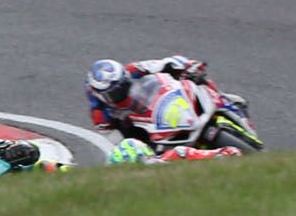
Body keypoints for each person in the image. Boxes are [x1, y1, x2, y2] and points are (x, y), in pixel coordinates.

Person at [84, 56, 243, 158]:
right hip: (143, 129)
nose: (121, 91)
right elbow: (118, 144)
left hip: (158, 104)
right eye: (114, 92)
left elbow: (167, 63)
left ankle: (226, 101)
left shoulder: (133, 70)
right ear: (100, 95)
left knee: (200, 82)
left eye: (123, 84)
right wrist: (141, 149)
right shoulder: (100, 115)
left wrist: (188, 66)